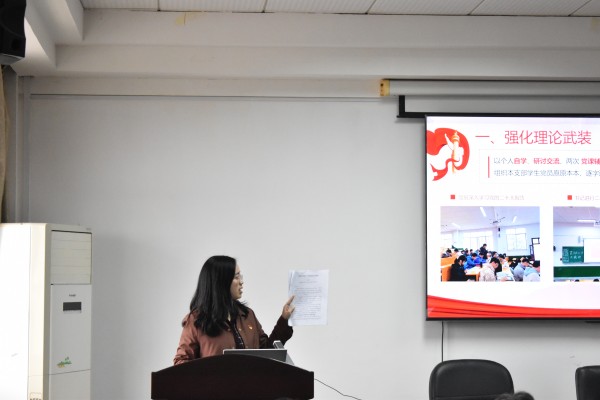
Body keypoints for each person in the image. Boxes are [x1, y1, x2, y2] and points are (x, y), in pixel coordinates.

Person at [173, 255, 295, 364]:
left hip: (251, 383)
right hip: (216, 384)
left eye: (240, 276)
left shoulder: (247, 315)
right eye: (236, 277)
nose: (241, 282)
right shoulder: (196, 321)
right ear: (221, 282)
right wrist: (210, 374)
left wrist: (284, 319)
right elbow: (181, 362)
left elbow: (267, 352)